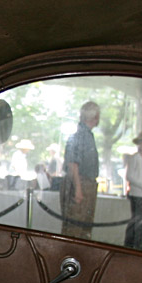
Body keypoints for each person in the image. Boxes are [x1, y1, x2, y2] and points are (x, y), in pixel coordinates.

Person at [59, 101, 101, 239]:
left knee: (84, 228)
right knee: (74, 229)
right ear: (94, 117)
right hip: (81, 183)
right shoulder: (80, 135)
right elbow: (72, 164)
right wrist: (78, 188)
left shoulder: (86, 135)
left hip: (86, 184)